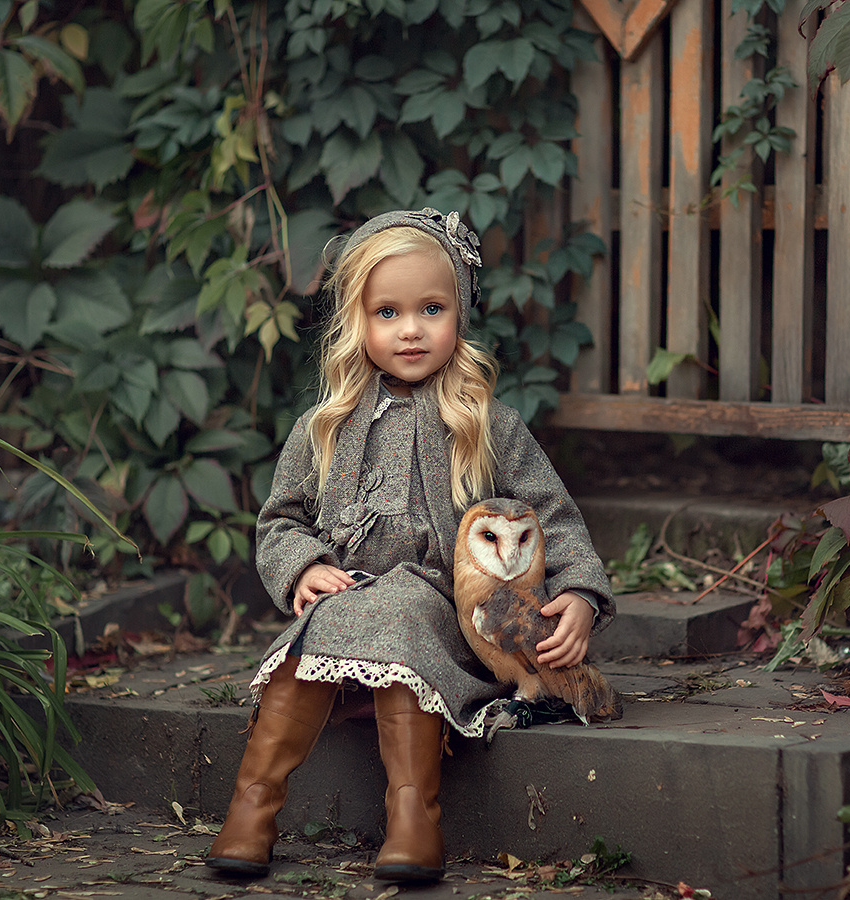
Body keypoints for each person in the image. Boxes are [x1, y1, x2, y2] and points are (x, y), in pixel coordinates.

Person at [205, 208, 614, 884]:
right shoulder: (323, 428)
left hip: (444, 609)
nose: (412, 329)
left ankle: (413, 816)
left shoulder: (488, 425)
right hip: (351, 594)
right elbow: (281, 520)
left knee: (400, 619)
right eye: (387, 312)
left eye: (431, 308)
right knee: (310, 637)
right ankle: (251, 809)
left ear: (460, 314)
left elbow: (554, 515)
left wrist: (578, 594)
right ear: (356, 323)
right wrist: (303, 567)